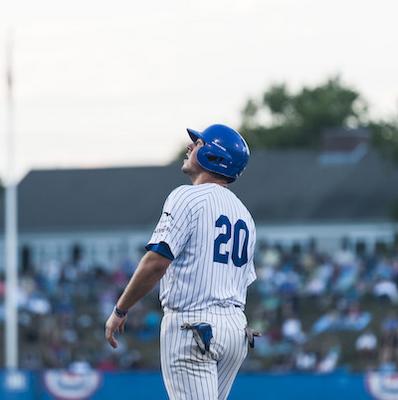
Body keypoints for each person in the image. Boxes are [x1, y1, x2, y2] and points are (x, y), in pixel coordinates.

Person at [105, 124, 257, 399]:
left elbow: (156, 262)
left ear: (214, 155)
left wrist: (121, 309)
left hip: (193, 324)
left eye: (198, 143)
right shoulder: (244, 215)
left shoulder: (186, 196)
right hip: (236, 328)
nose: (190, 146)